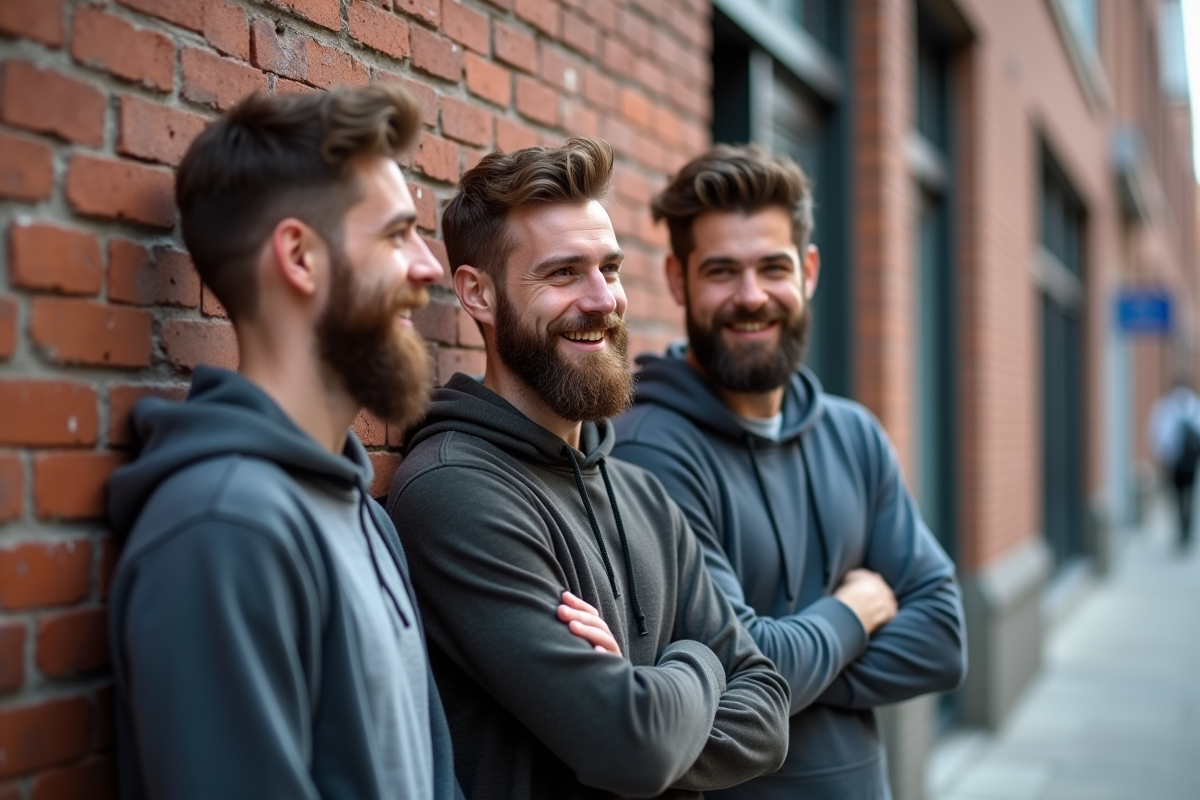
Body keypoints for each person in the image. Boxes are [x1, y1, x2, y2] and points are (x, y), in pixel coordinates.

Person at [386, 137, 790, 800]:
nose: (603, 300)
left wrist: (645, 689)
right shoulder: (453, 492)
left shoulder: (642, 493)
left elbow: (769, 711)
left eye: (610, 268)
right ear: (478, 294)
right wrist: (696, 660)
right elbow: (630, 748)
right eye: (564, 273)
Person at [105, 85, 463, 800]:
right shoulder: (223, 527)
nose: (430, 268)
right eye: (396, 235)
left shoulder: (363, 510)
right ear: (300, 256)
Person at [611, 144, 967, 800]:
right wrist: (854, 615)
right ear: (677, 280)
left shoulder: (853, 434)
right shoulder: (647, 450)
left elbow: (944, 637)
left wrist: (780, 664)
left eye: (772, 267)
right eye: (722, 271)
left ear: (807, 270)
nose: (751, 297)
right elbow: (723, 662)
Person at [1148, 377, 1200, 549]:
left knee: (1177, 496)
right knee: (1189, 495)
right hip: (1191, 461)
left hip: (1175, 461)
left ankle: (1181, 530)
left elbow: (1158, 434)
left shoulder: (1166, 406)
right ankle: (1187, 528)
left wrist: (1161, 455)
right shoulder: (1193, 405)